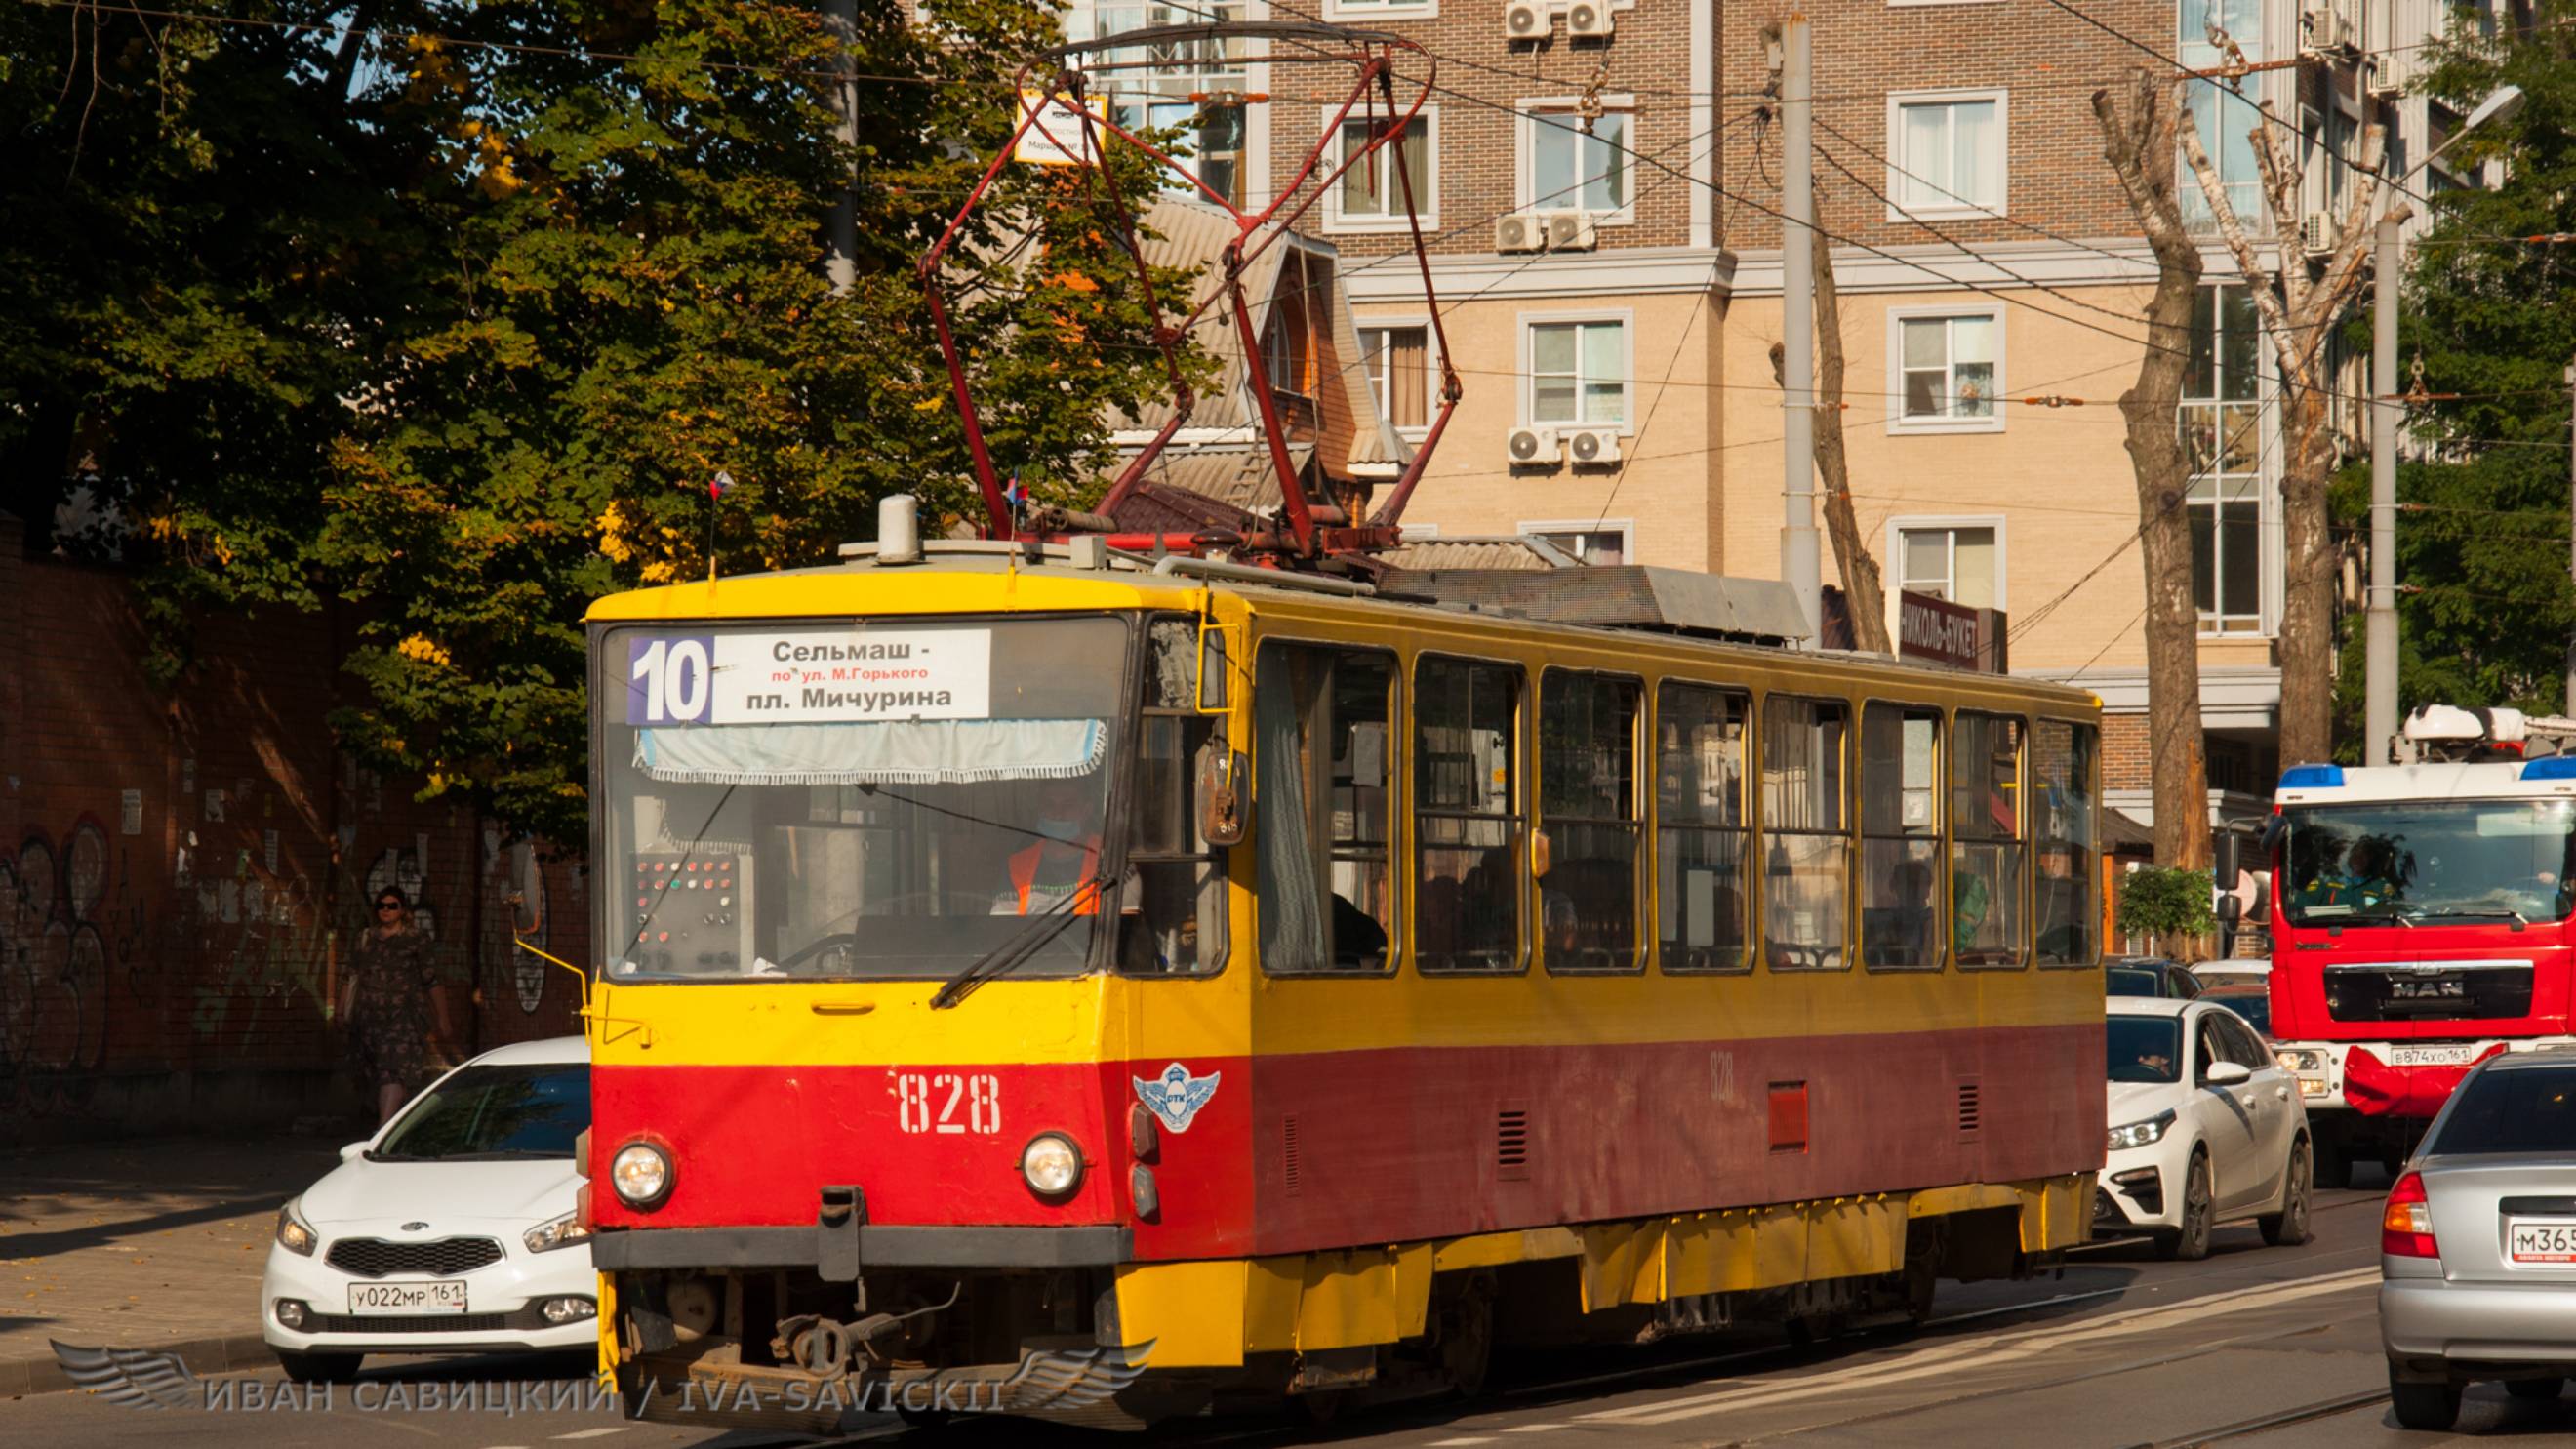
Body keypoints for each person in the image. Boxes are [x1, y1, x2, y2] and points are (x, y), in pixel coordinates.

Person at [341, 891, 456, 1125]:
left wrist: (443, 1018)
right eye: (381, 905)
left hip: (404, 1019)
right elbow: (351, 975)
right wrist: (342, 1008)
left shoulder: (416, 939)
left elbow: (432, 979)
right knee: (378, 1074)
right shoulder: (366, 938)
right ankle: (396, 1126)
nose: (386, 910)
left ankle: (383, 1129)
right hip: (369, 1020)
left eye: (392, 906)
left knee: (393, 1071)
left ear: (402, 910)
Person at [996, 777, 1104, 916]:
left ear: (1087, 810)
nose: (1057, 814)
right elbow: (1002, 928)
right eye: (1049, 804)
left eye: (1068, 805)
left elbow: (1122, 925)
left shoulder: (1110, 859)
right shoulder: (1017, 866)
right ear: (1040, 808)